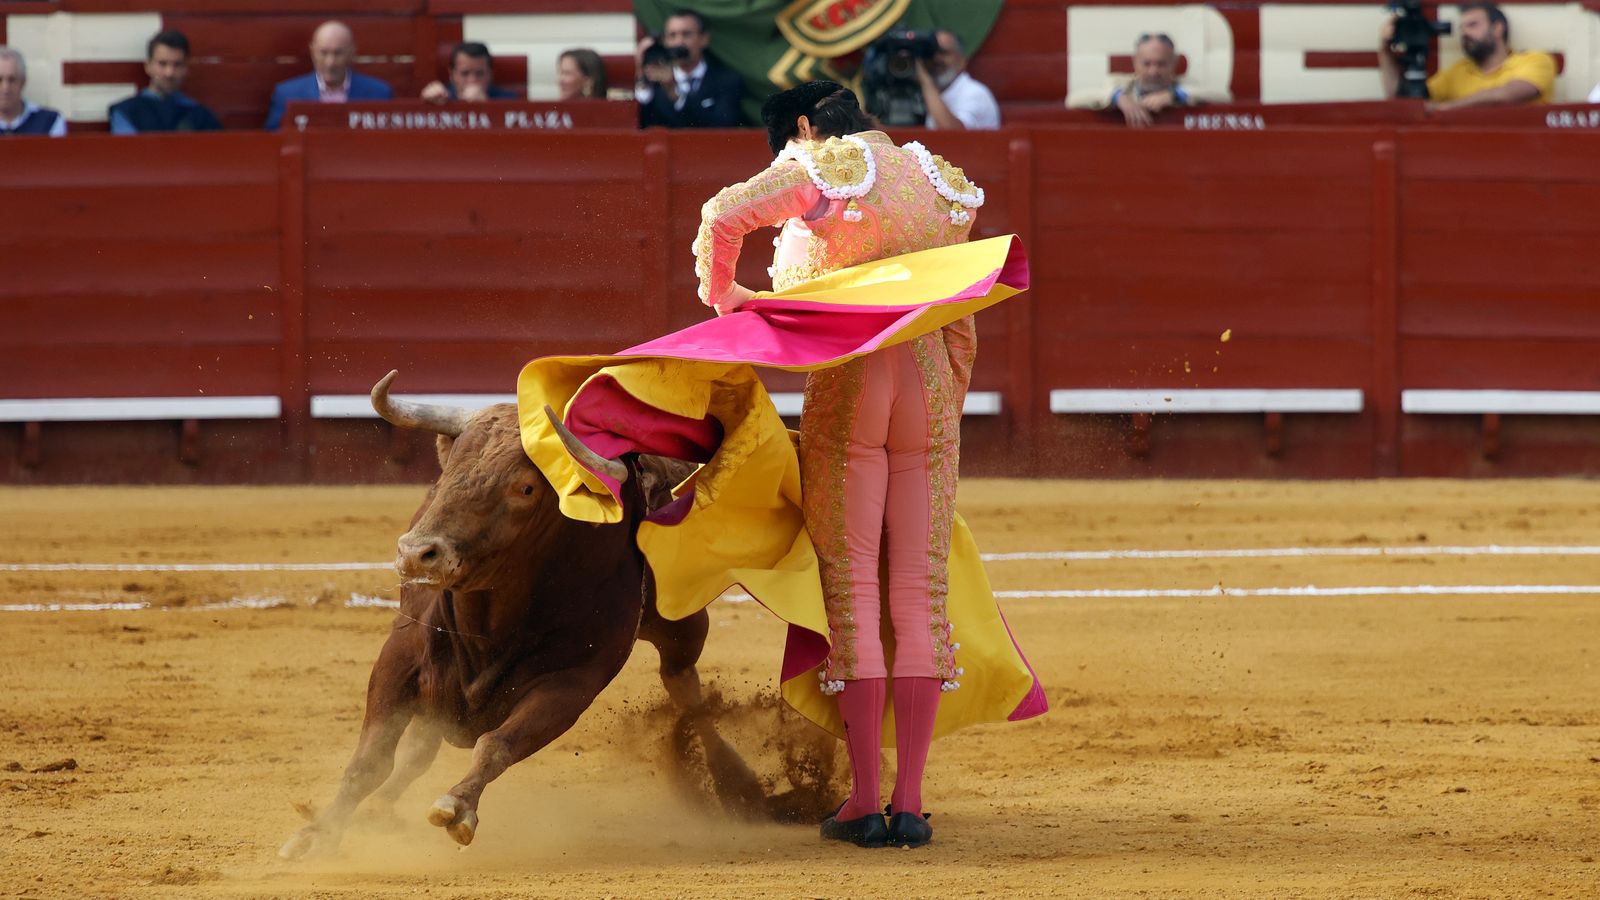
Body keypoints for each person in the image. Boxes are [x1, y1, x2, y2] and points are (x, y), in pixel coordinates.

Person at [699, 82, 989, 848]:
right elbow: (953, 295)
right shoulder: (939, 179)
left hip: (854, 386)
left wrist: (730, 298)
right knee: (918, 588)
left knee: (855, 583)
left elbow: (722, 215)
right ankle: (913, 803)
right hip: (927, 387)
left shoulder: (826, 169)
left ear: (803, 127)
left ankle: (864, 798)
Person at [1380, 2, 1555, 109]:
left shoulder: (1535, 60)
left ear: (1497, 28)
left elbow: (1507, 94)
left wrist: (1446, 107)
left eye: (1472, 25)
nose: (1464, 33)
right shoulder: (1458, 72)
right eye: (1462, 28)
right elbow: (1399, 98)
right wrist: (1385, 49)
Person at [265, 20, 393, 130]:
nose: (330, 62)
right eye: (323, 53)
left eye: (338, 53)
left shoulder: (379, 94)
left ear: (352, 52)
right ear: (313, 52)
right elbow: (274, 142)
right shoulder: (287, 94)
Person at [635, 9, 741, 127]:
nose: (679, 42)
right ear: (665, 42)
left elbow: (723, 125)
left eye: (686, 34)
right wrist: (641, 72)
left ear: (704, 39)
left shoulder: (726, 81)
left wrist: (675, 93)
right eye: (672, 36)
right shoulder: (656, 84)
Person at [108, 31, 221, 134]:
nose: (169, 73)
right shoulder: (126, 112)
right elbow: (130, 154)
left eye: (177, 64)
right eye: (162, 64)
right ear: (148, 66)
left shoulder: (202, 117)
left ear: (186, 68)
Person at [917, 30, 999, 130]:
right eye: (931, 54)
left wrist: (926, 82)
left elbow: (951, 133)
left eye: (943, 53)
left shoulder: (975, 93)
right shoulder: (937, 92)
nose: (936, 59)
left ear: (962, 59)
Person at [1112, 34, 1196, 128]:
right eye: (1147, 64)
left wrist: (1174, 95)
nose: (1153, 72)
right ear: (1135, 62)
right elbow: (1101, 93)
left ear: (1174, 63)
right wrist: (1119, 98)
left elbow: (1205, 93)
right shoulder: (1121, 85)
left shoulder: (1187, 86)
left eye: (1161, 64)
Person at [420, 42, 520, 103]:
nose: (472, 80)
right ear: (452, 74)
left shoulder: (508, 99)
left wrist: (487, 106)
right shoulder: (442, 96)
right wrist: (427, 103)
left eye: (479, 73)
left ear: (490, 74)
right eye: (464, 73)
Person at [0, 46, 65, 137]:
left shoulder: (50, 121)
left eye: (12, 80)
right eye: (0, 80)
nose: (5, 88)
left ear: (23, 82)